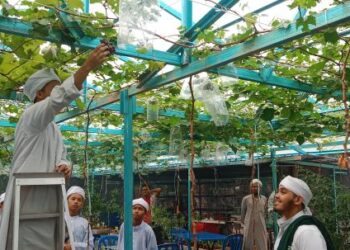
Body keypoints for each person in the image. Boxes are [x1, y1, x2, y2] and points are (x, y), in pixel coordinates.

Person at [0, 44, 111, 250]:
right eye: (54, 89)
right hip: (27, 202)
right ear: (40, 95)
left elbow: (62, 156)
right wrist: (87, 67)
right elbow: (59, 98)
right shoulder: (31, 117)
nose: (59, 93)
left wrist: (64, 165)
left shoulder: (53, 128)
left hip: (49, 201)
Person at [273, 175, 334, 250]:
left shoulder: (307, 232)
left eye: (283, 192)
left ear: (297, 200)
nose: (276, 196)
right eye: (278, 192)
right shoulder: (287, 227)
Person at [241, 179, 268, 250]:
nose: (254, 188)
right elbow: (243, 213)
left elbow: (265, 213)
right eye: (252, 186)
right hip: (249, 223)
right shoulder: (246, 199)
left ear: (260, 187)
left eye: (256, 186)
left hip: (261, 223)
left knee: (262, 241)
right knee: (247, 242)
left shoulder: (264, 199)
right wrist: (245, 223)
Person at [64, 186, 93, 250]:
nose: (76, 202)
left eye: (79, 200)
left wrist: (72, 246)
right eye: (73, 199)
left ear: (82, 204)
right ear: (67, 201)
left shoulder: (85, 223)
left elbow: (90, 246)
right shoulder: (60, 219)